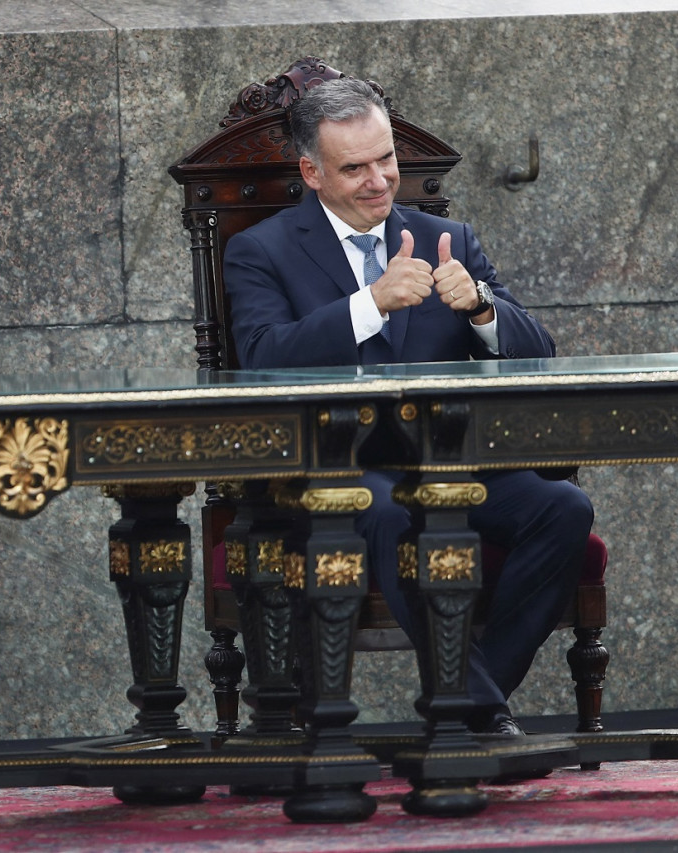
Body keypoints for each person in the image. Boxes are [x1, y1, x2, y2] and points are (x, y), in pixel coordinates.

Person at [222, 77, 595, 736]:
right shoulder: (262, 250)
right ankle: (474, 707)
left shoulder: (446, 236)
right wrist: (371, 304)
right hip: (335, 470)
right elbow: (260, 357)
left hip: (451, 462)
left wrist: (481, 306)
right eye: (355, 167)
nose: (379, 180)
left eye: (386, 159)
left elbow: (539, 352)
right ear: (312, 172)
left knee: (563, 507)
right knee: (386, 513)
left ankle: (475, 692)